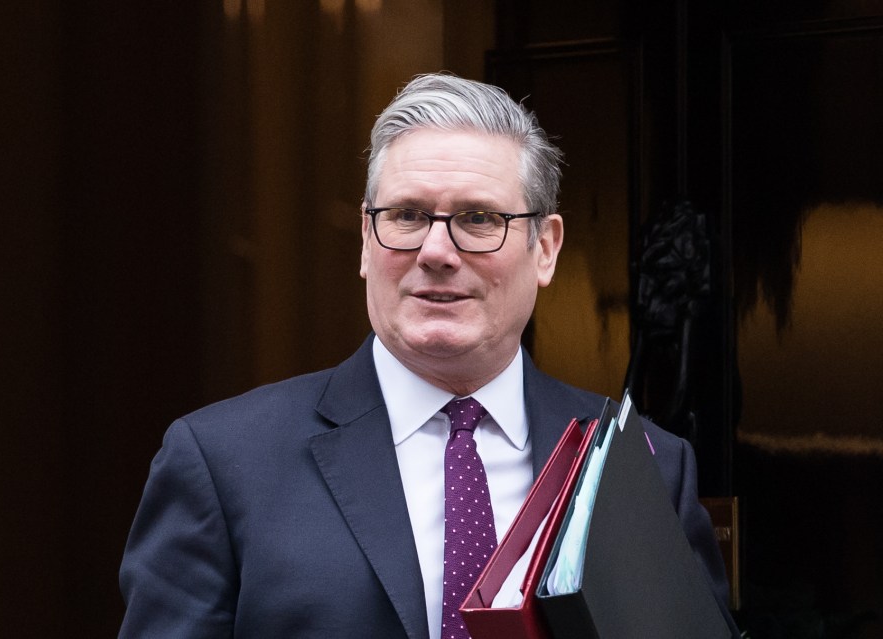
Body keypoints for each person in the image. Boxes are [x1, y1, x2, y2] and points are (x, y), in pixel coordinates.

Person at [119, 72, 738, 638]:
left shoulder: (645, 466)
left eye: (477, 218)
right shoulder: (225, 463)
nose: (436, 251)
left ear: (544, 248)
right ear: (366, 241)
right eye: (408, 215)